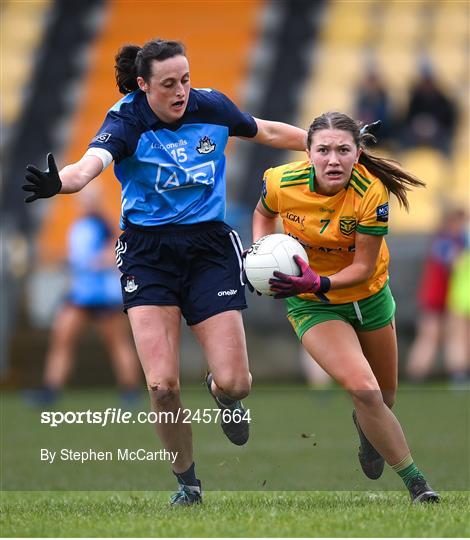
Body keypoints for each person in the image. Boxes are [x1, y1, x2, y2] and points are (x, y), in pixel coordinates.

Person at [22, 38, 308, 506]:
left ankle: (225, 396)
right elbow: (91, 164)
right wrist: (62, 182)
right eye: (169, 84)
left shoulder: (211, 106)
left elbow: (269, 132)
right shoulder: (126, 119)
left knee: (237, 381)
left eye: (186, 80)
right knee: (161, 385)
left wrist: (323, 143)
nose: (181, 92)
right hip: (148, 254)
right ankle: (188, 484)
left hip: (209, 248)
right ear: (143, 84)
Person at [248, 111, 439, 503]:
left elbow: (363, 267)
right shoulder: (280, 182)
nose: (332, 159)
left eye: (342, 150)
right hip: (313, 306)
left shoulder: (371, 192)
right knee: (366, 390)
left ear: (357, 153)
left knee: (383, 400)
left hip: (367, 296)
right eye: (323, 150)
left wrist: (320, 280)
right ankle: (418, 485)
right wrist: (261, 252)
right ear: (307, 152)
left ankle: (367, 431)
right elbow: (263, 215)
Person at [25, 185, 142, 405]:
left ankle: (130, 391)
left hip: (103, 295)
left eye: (90, 199)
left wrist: (100, 260)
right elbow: (77, 257)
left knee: (117, 342)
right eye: (84, 199)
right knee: (62, 339)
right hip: (80, 293)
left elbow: (119, 249)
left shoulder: (106, 223)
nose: (86, 203)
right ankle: (50, 390)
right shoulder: (79, 225)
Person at [406, 208, 467, 383]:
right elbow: (453, 262)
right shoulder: (443, 241)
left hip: (449, 297)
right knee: (430, 335)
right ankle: (416, 374)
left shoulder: (451, 240)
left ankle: (457, 374)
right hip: (435, 297)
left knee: (452, 336)